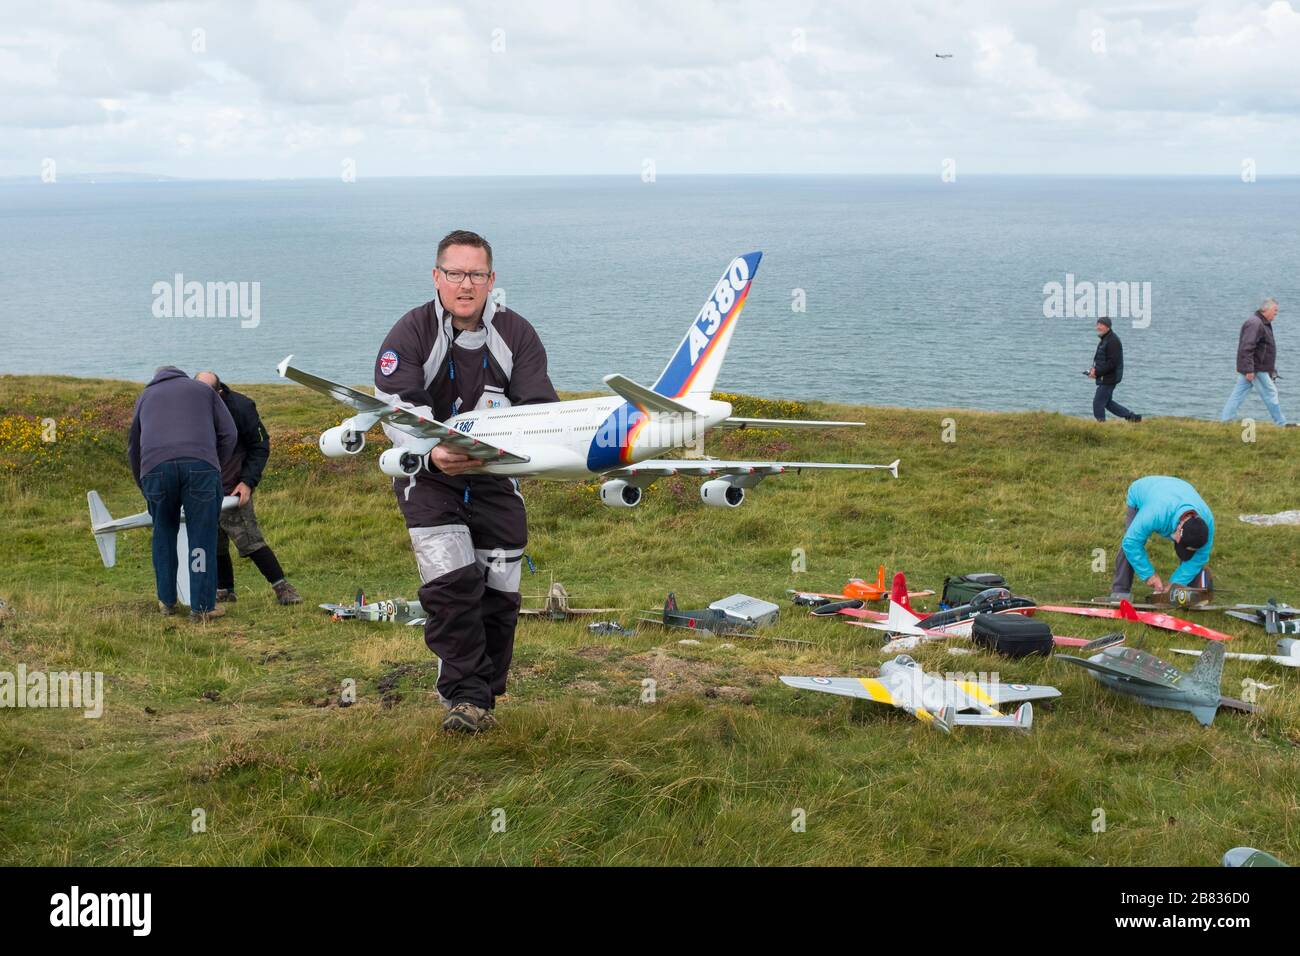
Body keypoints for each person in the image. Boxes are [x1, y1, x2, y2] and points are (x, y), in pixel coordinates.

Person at [373, 230, 558, 734]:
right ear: (437, 276)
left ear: (492, 280)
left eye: (476, 274)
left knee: (498, 600)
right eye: (454, 273)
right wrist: (431, 455)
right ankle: (465, 698)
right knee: (453, 590)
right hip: (430, 480)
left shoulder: (517, 334)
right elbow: (395, 407)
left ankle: (484, 695)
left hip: (498, 482)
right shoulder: (410, 332)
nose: (465, 284)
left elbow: (540, 408)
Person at [127, 366, 237, 621]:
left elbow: (133, 446)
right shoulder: (202, 390)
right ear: (182, 375)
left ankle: (167, 602)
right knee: (201, 537)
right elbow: (229, 434)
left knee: (163, 534)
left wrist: (143, 482)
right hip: (200, 468)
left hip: (155, 471)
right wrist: (213, 465)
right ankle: (202, 608)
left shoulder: (145, 396)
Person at [195, 372, 302, 606]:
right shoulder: (192, 407)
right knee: (214, 542)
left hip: (234, 488)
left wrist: (247, 482)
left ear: (218, 391)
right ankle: (225, 589)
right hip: (203, 488)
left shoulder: (241, 407)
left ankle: (283, 588)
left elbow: (259, 446)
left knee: (250, 540)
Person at [1109, 475, 1214, 602]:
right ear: (1178, 530)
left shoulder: (1206, 523)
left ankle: (1189, 592)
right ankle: (1120, 592)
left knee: (1193, 559)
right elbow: (1131, 543)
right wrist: (1149, 575)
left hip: (1179, 489)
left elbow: (1199, 557)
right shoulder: (1155, 513)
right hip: (1143, 491)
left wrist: (1174, 584)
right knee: (1129, 540)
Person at [1220, 298, 1295, 426]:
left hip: (1255, 367)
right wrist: (1249, 369)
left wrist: (1271, 369)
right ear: (1266, 309)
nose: (1276, 315)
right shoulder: (1256, 323)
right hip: (1256, 368)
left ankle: (1226, 420)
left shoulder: (1261, 322)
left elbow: (1263, 349)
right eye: (1275, 311)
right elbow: (1247, 347)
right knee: (1270, 393)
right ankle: (1281, 423)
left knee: (1238, 393)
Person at [1087, 317, 1141, 422]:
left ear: (1108, 327)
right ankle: (1133, 418)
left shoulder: (1112, 341)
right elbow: (1103, 360)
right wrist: (1094, 370)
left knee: (1098, 403)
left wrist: (1097, 372)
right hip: (1105, 376)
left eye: (1101, 325)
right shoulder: (1106, 339)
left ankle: (1101, 426)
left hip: (1109, 378)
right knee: (1107, 402)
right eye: (1097, 324)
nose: (1098, 327)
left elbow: (1112, 363)